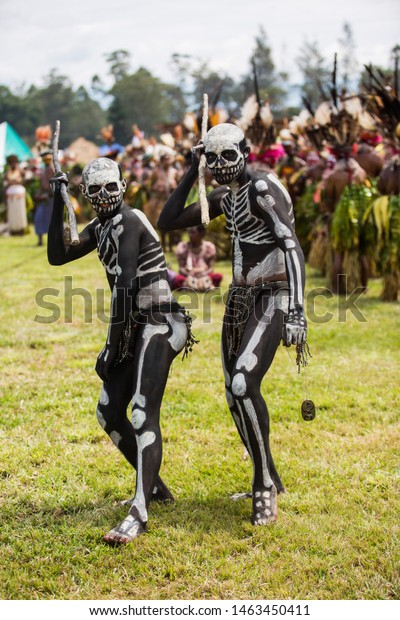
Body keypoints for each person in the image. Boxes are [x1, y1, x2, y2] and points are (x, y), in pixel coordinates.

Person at [158, 123, 307, 526]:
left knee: (243, 382)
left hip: (273, 293)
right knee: (232, 392)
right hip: (240, 298)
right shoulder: (225, 196)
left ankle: (262, 486)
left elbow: (291, 245)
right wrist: (193, 170)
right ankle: (271, 477)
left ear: (247, 151)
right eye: (214, 158)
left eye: (229, 155)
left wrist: (296, 309)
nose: (221, 166)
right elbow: (168, 219)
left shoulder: (261, 189)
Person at [48, 157, 195, 544]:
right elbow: (58, 255)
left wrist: (113, 347)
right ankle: (156, 488)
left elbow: (127, 285)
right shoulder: (100, 226)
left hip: (161, 321)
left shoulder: (129, 221)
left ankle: (139, 510)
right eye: (94, 191)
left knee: (142, 412)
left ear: (124, 185)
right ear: (85, 194)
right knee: (109, 414)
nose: (104, 196)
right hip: (135, 324)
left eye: (110, 187)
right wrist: (57, 201)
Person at [171, 225, 223, 291]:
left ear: (201, 233)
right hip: (188, 276)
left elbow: (211, 268)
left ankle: (193, 286)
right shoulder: (183, 247)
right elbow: (181, 269)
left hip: (204, 275)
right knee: (178, 280)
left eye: (193, 232)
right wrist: (190, 274)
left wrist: (202, 273)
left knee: (217, 276)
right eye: (189, 232)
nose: (190, 235)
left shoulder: (209, 247)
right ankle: (203, 286)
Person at [34, 149, 55, 246]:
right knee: (39, 218)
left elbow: (53, 187)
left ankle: (54, 241)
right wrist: (38, 194)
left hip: (50, 199)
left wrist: (46, 195)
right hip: (44, 198)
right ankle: (40, 240)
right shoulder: (44, 170)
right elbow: (43, 186)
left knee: (51, 220)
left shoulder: (51, 169)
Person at [3, 154, 28, 235]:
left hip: (19, 194)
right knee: (12, 212)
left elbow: (27, 178)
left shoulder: (20, 171)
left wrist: (20, 182)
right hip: (10, 196)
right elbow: (5, 184)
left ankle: (21, 229)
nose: (13, 164)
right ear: (9, 163)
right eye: (11, 162)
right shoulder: (8, 173)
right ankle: (13, 230)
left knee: (20, 211)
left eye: (14, 162)